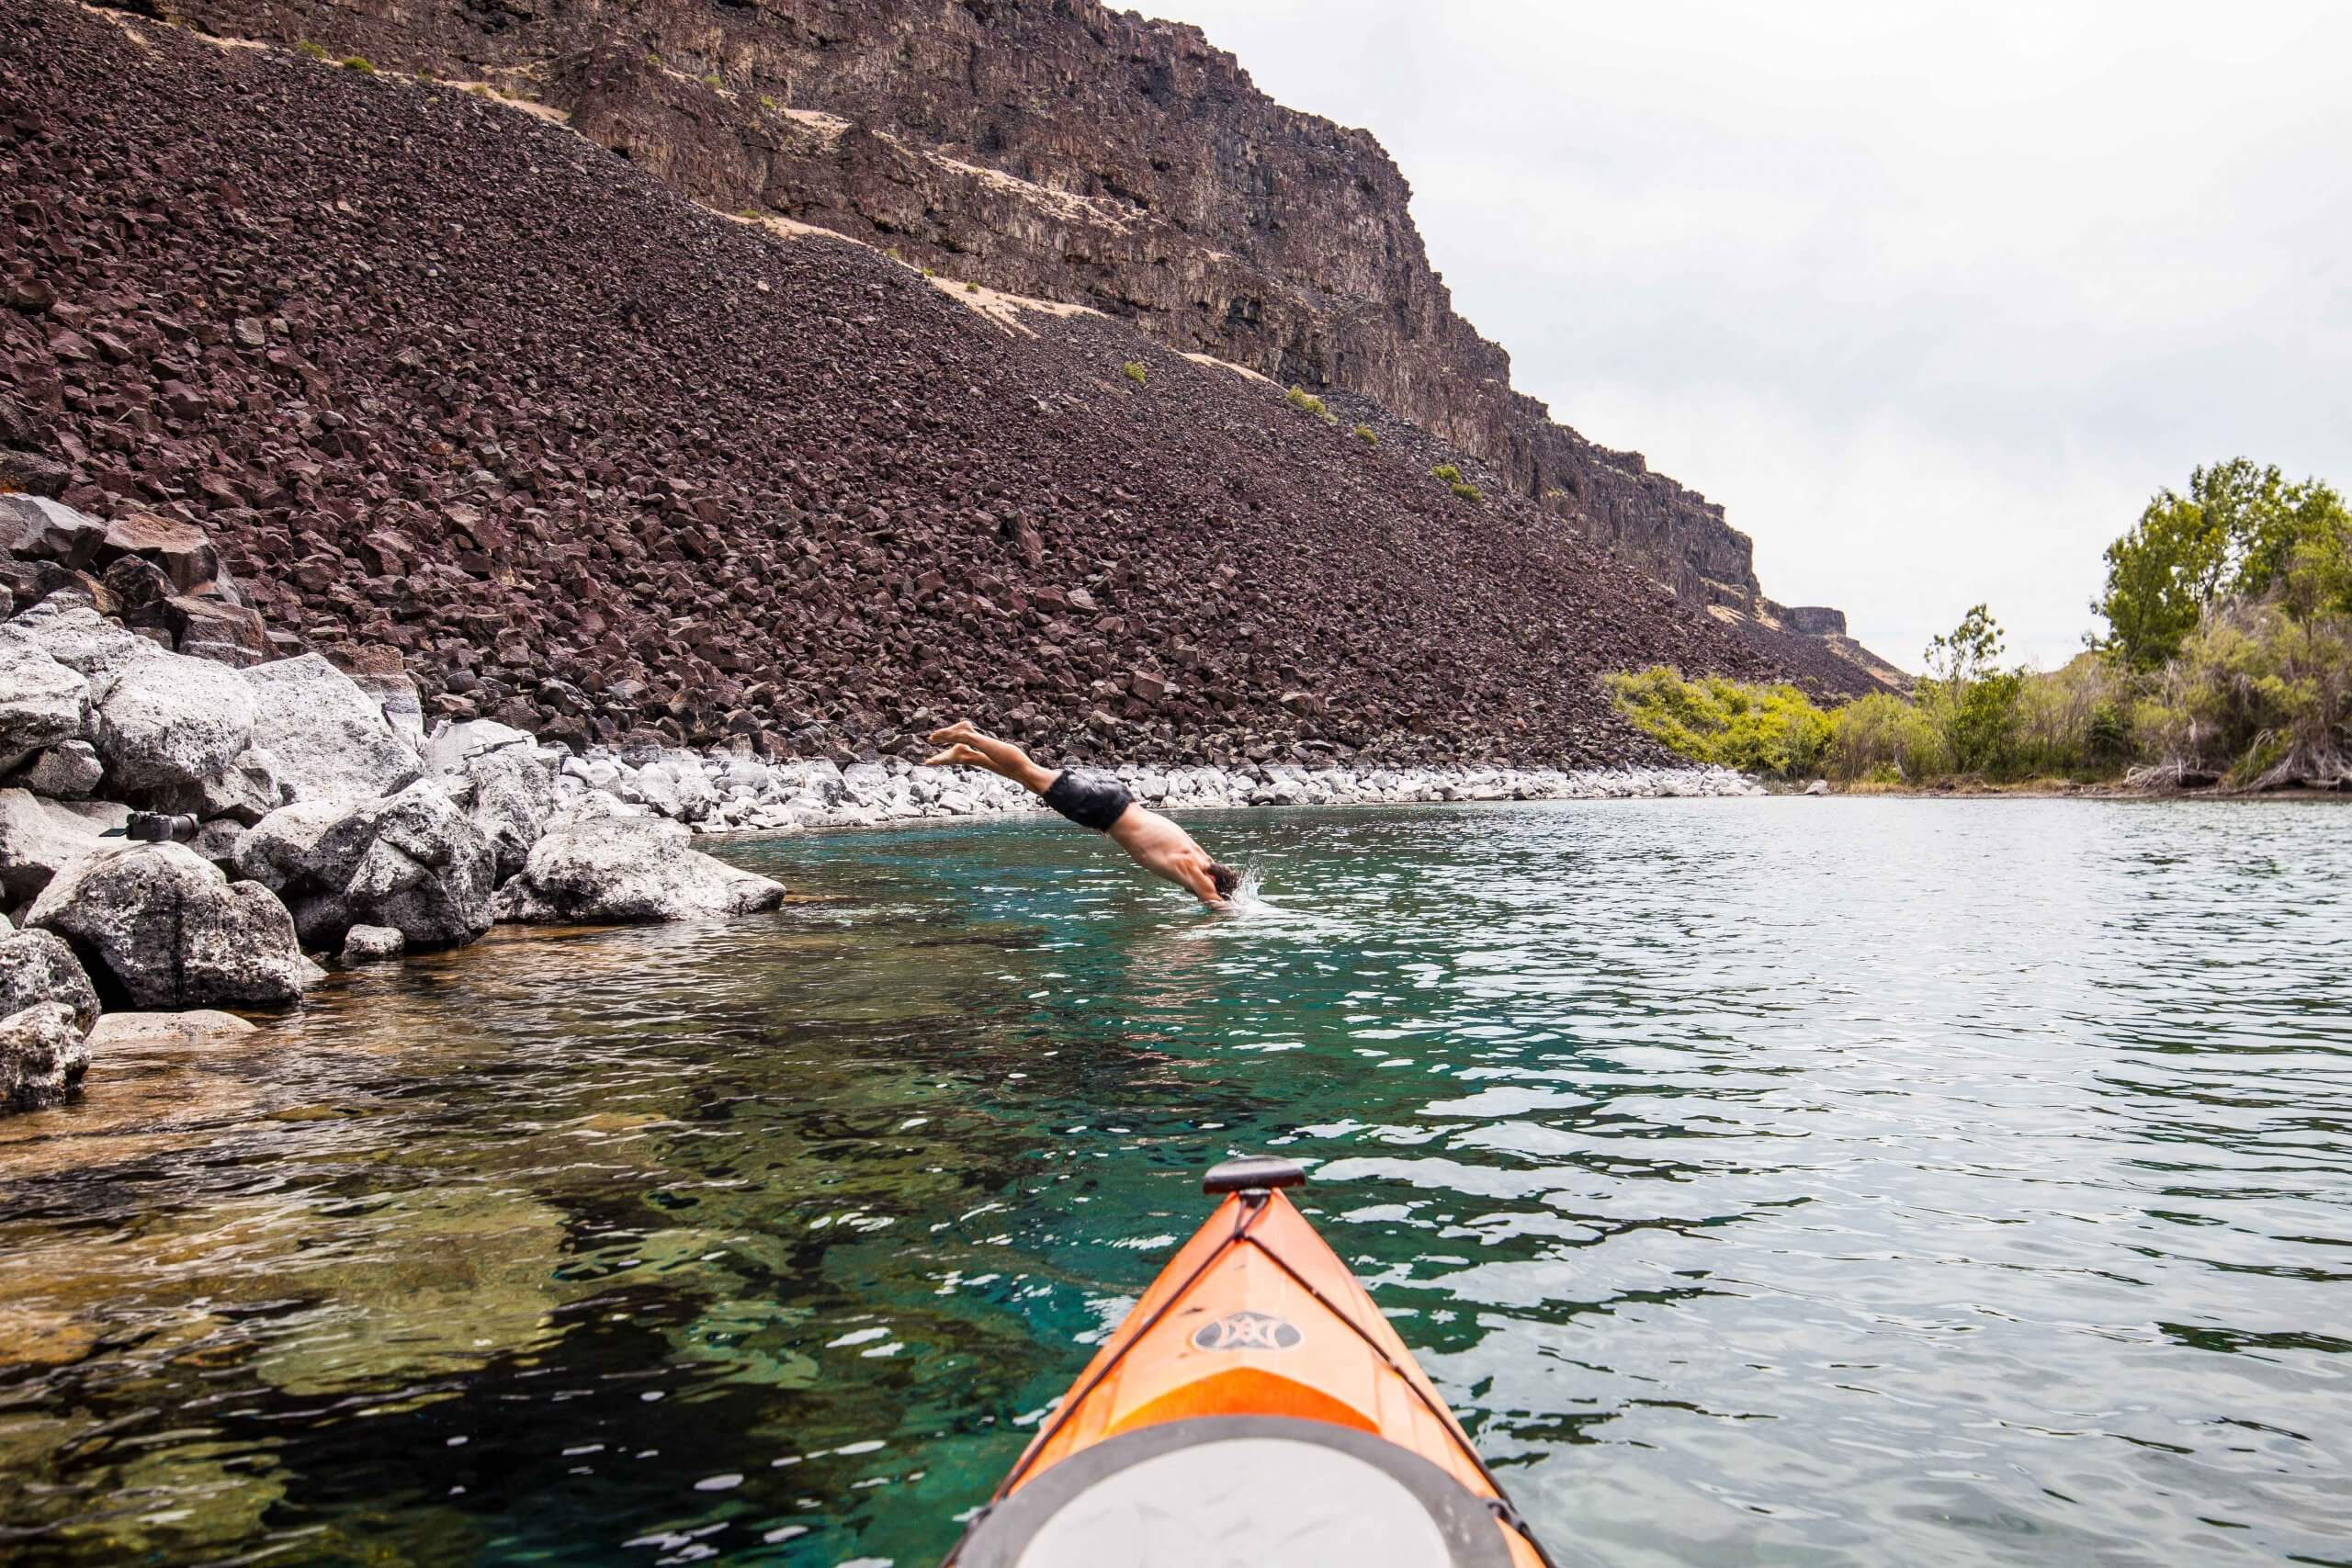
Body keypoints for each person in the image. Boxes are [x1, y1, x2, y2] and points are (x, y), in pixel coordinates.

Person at [922, 721, 1242, 908]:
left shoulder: (1199, 855)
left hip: (1115, 799)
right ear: (1212, 879)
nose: (1196, 890)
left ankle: (969, 756)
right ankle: (969, 735)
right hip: (1103, 808)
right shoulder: (1194, 868)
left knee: (1031, 779)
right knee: (1029, 770)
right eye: (1208, 885)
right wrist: (1241, 915)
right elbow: (1214, 902)